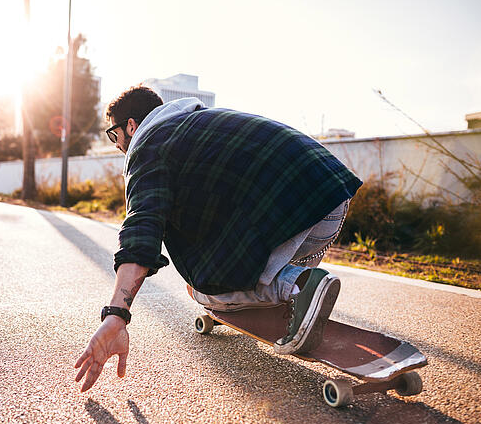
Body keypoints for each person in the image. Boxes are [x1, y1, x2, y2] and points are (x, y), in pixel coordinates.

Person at [74, 86, 363, 392]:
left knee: (201, 287)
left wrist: (116, 316)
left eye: (113, 134)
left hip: (290, 209)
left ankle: (297, 286)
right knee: (225, 256)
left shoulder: (147, 146)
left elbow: (141, 229)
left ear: (131, 126)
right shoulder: (197, 123)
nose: (117, 144)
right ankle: (292, 290)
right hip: (331, 194)